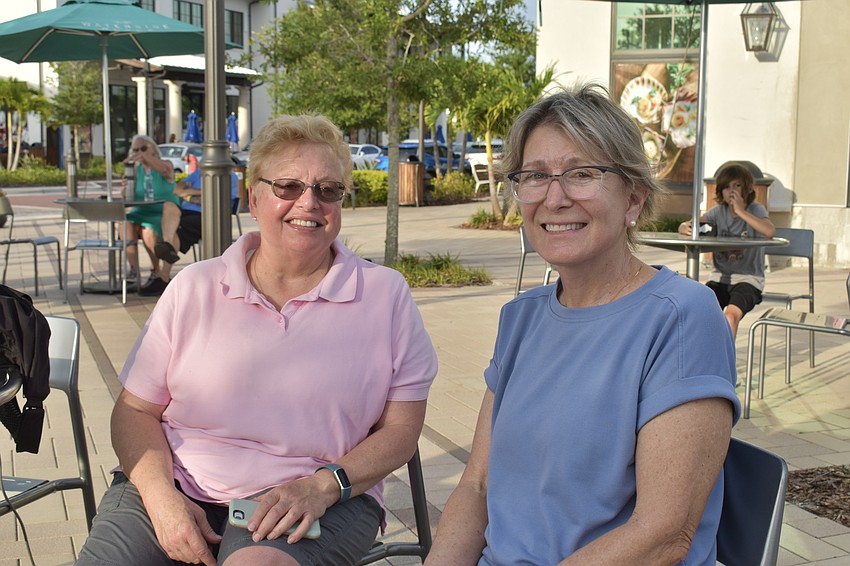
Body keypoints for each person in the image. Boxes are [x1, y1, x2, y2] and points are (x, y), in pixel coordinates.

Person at [77, 114, 438, 566]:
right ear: (253, 197)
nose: (309, 203)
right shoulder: (195, 287)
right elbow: (134, 410)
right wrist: (160, 498)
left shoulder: (385, 296)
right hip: (173, 482)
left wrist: (323, 486)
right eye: (288, 186)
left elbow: (402, 430)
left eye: (328, 190)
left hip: (316, 492)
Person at [426, 83, 740, 565]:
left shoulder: (681, 318)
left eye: (582, 174)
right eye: (534, 176)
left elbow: (662, 535)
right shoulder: (522, 316)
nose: (554, 198)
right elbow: (477, 485)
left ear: (633, 198)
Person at [678, 163, 775, 337]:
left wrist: (740, 210)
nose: (732, 191)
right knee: (698, 312)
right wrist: (683, 226)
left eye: (737, 185)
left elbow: (769, 231)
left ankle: (726, 363)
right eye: (727, 187)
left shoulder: (756, 209)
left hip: (749, 280)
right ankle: (703, 357)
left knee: (730, 317)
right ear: (720, 190)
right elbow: (691, 224)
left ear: (747, 188)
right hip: (719, 278)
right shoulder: (718, 212)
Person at [150, 167, 240, 293]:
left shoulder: (228, 175)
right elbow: (177, 190)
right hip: (186, 212)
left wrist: (189, 193)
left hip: (207, 216)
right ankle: (168, 245)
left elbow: (218, 201)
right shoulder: (199, 171)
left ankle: (164, 276)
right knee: (168, 206)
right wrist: (203, 192)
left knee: (176, 228)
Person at [122, 134, 181, 296]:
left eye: (143, 148)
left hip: (161, 210)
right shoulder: (135, 169)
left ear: (153, 149)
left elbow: (165, 170)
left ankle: (156, 271)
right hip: (140, 210)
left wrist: (145, 157)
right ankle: (134, 271)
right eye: (136, 150)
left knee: (148, 231)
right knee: (124, 223)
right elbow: (128, 198)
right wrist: (124, 189)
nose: (139, 153)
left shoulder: (165, 165)